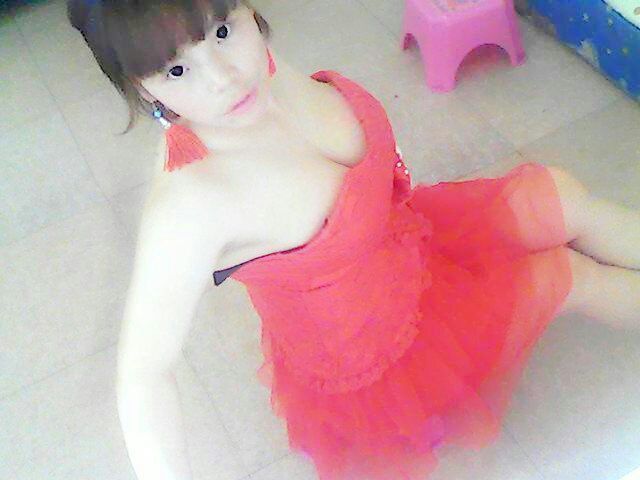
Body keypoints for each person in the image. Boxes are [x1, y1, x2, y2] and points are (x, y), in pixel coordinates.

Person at [68, 0, 640, 479]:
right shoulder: (192, 205)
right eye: (176, 71)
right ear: (144, 90)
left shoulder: (260, 72)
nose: (224, 76)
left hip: (412, 240)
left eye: (221, 31)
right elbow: (143, 373)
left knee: (563, 197)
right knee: (570, 276)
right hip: (384, 347)